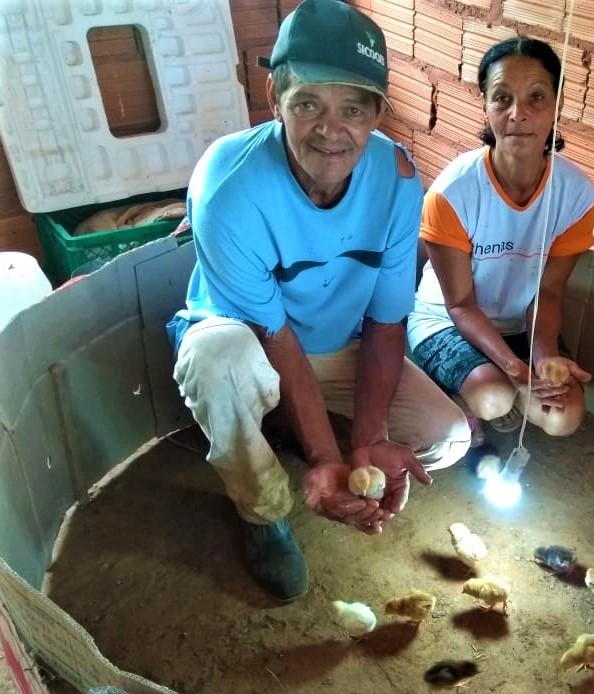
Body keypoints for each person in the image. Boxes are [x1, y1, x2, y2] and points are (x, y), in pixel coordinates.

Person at [166, 0, 470, 603]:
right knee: (219, 365)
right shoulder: (230, 185)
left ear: (379, 112)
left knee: (447, 435)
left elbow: (387, 326)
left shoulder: (398, 178)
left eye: (353, 108)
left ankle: (283, 430)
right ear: (274, 94)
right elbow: (275, 340)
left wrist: (367, 440)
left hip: (336, 344)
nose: (332, 130)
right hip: (246, 341)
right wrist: (328, 454)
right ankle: (263, 511)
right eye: (308, 103)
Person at [407, 38, 594, 444]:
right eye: (502, 98)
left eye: (536, 98)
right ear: (485, 104)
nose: (518, 114)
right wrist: (515, 369)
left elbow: (548, 291)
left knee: (563, 415)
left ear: (556, 105)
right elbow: (459, 304)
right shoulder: (453, 194)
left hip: (516, 323)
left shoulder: (576, 195)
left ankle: (495, 388)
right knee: (493, 397)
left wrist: (544, 357)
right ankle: (460, 395)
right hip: (446, 321)